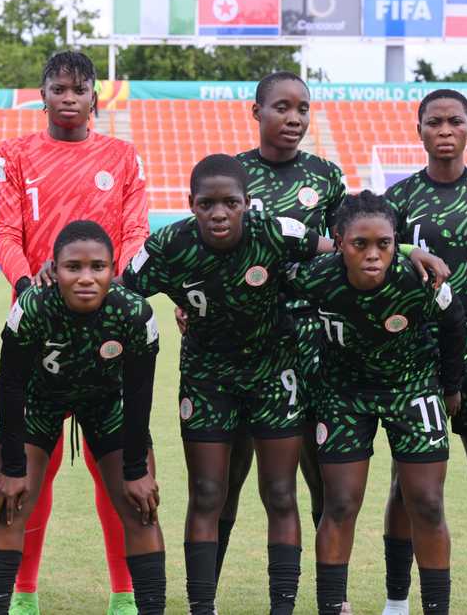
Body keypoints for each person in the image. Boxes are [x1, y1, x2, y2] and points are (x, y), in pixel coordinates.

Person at [120, 153, 341, 615]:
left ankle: (282, 607)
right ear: (191, 204)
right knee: (207, 494)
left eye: (230, 203)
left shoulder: (275, 231)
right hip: (207, 378)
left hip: (273, 374)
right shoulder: (168, 245)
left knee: (280, 493)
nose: (219, 213)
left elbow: (346, 249)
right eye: (207, 204)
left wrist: (408, 253)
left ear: (247, 203)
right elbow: (120, 289)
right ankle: (202, 607)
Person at [0, 50, 148, 615]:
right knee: (34, 470)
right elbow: (5, 232)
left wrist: (114, 288)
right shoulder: (14, 154)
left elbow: (135, 231)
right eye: (58, 88)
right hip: (39, 331)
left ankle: (125, 595)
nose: (68, 98)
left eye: (78, 89)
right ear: (43, 95)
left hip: (107, 331)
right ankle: (23, 593)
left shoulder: (122, 156)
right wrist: (28, 284)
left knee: (116, 474)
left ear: (93, 98)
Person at [286, 191, 465, 615]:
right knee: (340, 503)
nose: (372, 254)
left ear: (395, 243)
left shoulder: (417, 279)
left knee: (427, 503)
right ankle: (332, 606)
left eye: (384, 244)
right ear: (338, 242)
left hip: (412, 389)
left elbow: (454, 320)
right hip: (343, 394)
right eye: (359, 244)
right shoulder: (316, 277)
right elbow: (272, 280)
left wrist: (451, 386)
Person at [381, 88, 467, 615]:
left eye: (454, 121)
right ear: (418, 130)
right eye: (434, 122)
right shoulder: (398, 199)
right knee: (407, 489)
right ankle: (397, 602)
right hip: (415, 357)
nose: (445, 130)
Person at [0, 220, 166, 615]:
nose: (85, 277)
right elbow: (10, 385)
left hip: (106, 404)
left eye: (97, 267)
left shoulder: (134, 312)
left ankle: (143, 604)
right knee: (10, 505)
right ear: (55, 268)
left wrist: (136, 469)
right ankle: (4, 603)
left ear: (113, 269)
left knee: (141, 507)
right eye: (73, 267)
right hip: (40, 401)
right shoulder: (33, 306)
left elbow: (139, 395)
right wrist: (11, 467)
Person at [206, 71, 347, 585]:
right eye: (282, 107)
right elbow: (205, 248)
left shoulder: (326, 177)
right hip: (243, 341)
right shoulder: (233, 173)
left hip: (313, 343)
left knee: (319, 473)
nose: (294, 118)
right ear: (257, 111)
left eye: (302, 109)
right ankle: (206, 594)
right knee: (227, 478)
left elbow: (348, 251)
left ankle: (331, 595)